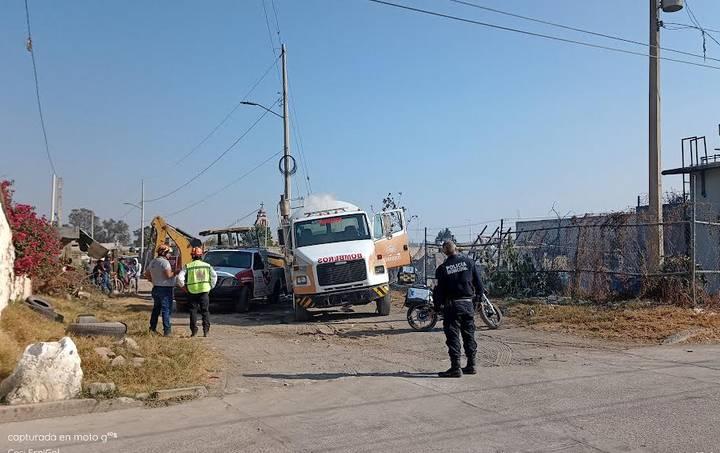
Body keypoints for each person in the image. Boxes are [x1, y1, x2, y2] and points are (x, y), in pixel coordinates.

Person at [433, 240, 484, 378]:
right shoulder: (469, 263)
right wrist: (478, 300)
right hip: (468, 304)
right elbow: (479, 284)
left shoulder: (442, 269)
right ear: (456, 248)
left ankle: (456, 368)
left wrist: (437, 307)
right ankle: (472, 365)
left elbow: (438, 291)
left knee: (453, 336)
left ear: (444, 251)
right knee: (469, 335)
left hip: (452, 306)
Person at [176, 246, 217, 337]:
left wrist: (184, 288)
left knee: (193, 311)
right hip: (204, 291)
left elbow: (179, 278)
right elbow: (214, 277)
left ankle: (194, 331)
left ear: (192, 256)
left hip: (192, 291)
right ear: (201, 255)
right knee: (205, 311)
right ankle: (206, 330)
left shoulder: (188, 266)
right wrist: (210, 287)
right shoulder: (207, 266)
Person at [144, 244, 177, 336]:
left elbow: (146, 274)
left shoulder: (153, 262)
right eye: (169, 253)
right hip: (165, 289)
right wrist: (176, 272)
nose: (169, 255)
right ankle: (167, 331)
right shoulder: (165, 263)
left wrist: (154, 280)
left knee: (156, 309)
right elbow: (168, 275)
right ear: (164, 253)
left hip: (156, 288)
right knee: (166, 310)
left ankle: (152, 329)